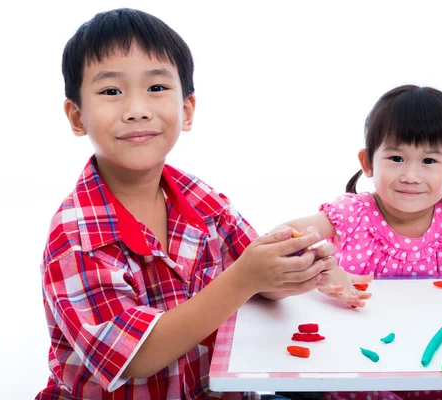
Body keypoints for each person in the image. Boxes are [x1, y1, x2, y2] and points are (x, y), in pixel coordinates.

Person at [36, 8, 335, 399]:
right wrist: (247, 277)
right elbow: (137, 356)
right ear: (77, 117)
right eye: (111, 92)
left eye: (156, 88)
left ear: (187, 110)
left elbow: (257, 279)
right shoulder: (75, 237)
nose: (137, 109)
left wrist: (293, 267)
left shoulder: (199, 197)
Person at [275, 85, 442, 399]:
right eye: (396, 157)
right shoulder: (350, 214)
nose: (410, 175)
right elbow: (281, 236)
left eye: (429, 161)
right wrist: (325, 266)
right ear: (367, 162)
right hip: (364, 360)